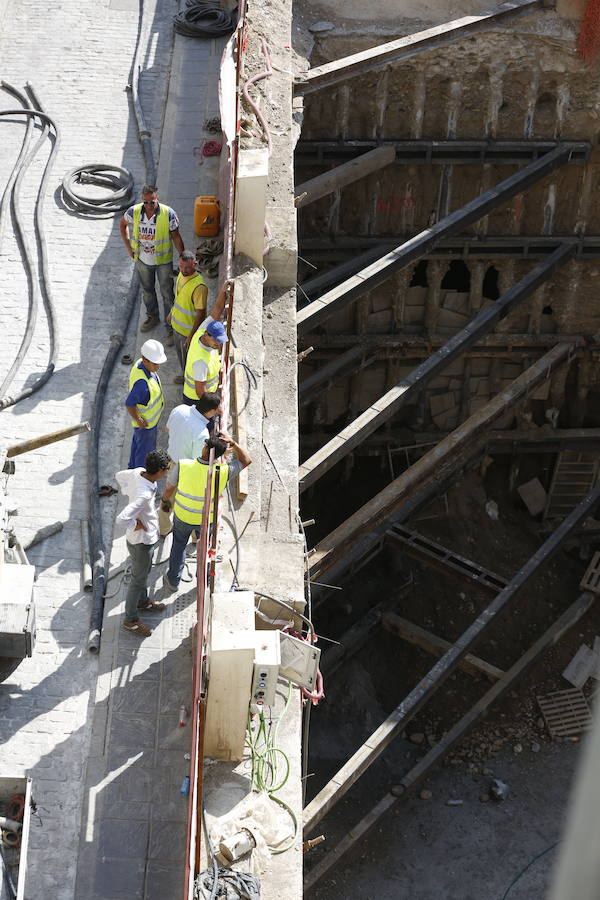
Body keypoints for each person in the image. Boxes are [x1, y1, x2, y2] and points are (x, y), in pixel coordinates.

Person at [160, 432, 251, 591]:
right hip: (206, 520)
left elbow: (168, 488)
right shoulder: (223, 471)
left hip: (182, 516)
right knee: (205, 551)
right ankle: (203, 583)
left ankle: (173, 582)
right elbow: (246, 460)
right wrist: (233, 443)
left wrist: (164, 501)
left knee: (179, 546)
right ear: (222, 454)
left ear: (205, 447)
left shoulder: (184, 465)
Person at [115, 449, 171, 637]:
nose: (167, 473)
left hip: (142, 541)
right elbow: (121, 519)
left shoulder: (138, 472)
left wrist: (126, 491)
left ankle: (143, 602)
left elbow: (118, 476)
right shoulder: (144, 495)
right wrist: (134, 523)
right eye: (167, 470)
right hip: (142, 543)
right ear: (160, 470)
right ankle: (130, 620)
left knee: (143, 573)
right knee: (137, 581)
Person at [120, 184, 185, 341]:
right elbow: (122, 225)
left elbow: (176, 236)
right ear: (142, 200)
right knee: (147, 291)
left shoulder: (168, 214)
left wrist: (183, 256)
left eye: (152, 202)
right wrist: (129, 247)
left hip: (163, 261)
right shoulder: (134, 212)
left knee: (167, 294)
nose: (149, 205)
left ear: (157, 199)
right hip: (142, 260)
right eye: (146, 202)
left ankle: (171, 327)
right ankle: (153, 317)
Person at [182, 279, 230, 406]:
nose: (218, 344)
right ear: (207, 335)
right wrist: (214, 407)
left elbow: (218, 309)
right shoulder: (200, 363)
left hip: (205, 395)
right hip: (197, 402)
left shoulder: (202, 330)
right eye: (216, 341)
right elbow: (200, 393)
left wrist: (223, 291)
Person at [167, 250, 207, 384]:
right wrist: (172, 312)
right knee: (181, 358)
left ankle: (189, 382)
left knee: (189, 360)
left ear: (195, 264)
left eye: (188, 267)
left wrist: (191, 335)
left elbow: (201, 313)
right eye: (181, 266)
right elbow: (179, 298)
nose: (184, 270)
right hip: (177, 328)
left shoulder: (199, 286)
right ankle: (184, 377)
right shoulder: (181, 275)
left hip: (187, 333)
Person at [125, 339, 167, 469]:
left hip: (145, 425)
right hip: (147, 426)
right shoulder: (142, 385)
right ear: (145, 360)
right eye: (155, 364)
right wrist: (138, 419)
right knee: (144, 455)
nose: (158, 367)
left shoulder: (140, 364)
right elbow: (129, 403)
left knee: (137, 446)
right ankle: (139, 477)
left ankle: (132, 469)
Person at [165, 392, 221, 463]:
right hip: (184, 469)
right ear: (212, 411)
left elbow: (167, 429)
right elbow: (198, 460)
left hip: (169, 460)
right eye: (217, 409)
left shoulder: (180, 409)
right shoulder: (202, 433)